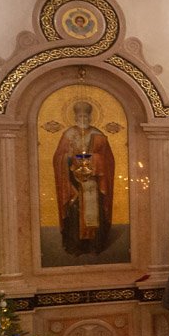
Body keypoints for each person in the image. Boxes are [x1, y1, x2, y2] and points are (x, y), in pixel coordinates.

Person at [53, 100, 115, 255]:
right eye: (80, 116)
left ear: (90, 117)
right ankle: (76, 246)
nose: (83, 119)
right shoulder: (68, 134)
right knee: (75, 212)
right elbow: (58, 158)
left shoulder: (98, 135)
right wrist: (68, 157)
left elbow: (109, 160)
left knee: (95, 211)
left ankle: (95, 244)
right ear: (75, 117)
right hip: (73, 182)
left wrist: (96, 159)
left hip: (94, 182)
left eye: (86, 116)